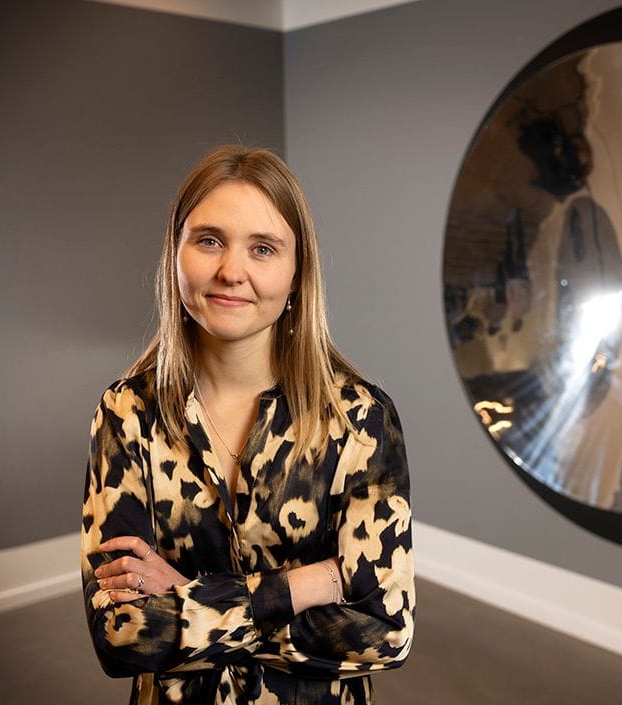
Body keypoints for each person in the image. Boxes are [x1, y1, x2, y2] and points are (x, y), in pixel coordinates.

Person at [80, 145, 414, 705]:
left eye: (263, 248)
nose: (232, 272)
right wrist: (312, 582)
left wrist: (190, 598)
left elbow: (386, 631)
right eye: (209, 241)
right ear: (175, 254)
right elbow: (121, 637)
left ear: (297, 273)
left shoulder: (359, 419)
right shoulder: (126, 413)